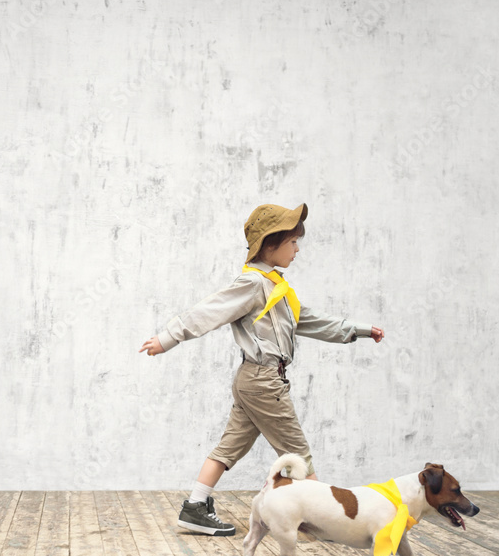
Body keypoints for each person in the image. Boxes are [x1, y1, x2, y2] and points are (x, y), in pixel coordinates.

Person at [139, 203, 384, 536]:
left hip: (253, 380)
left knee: (230, 446)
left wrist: (357, 329)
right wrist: (168, 338)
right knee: (296, 450)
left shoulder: (274, 287)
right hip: (264, 380)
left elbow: (307, 320)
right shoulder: (254, 284)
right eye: (293, 242)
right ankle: (326, 521)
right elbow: (210, 310)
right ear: (271, 244)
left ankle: (195, 507)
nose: (297, 249)